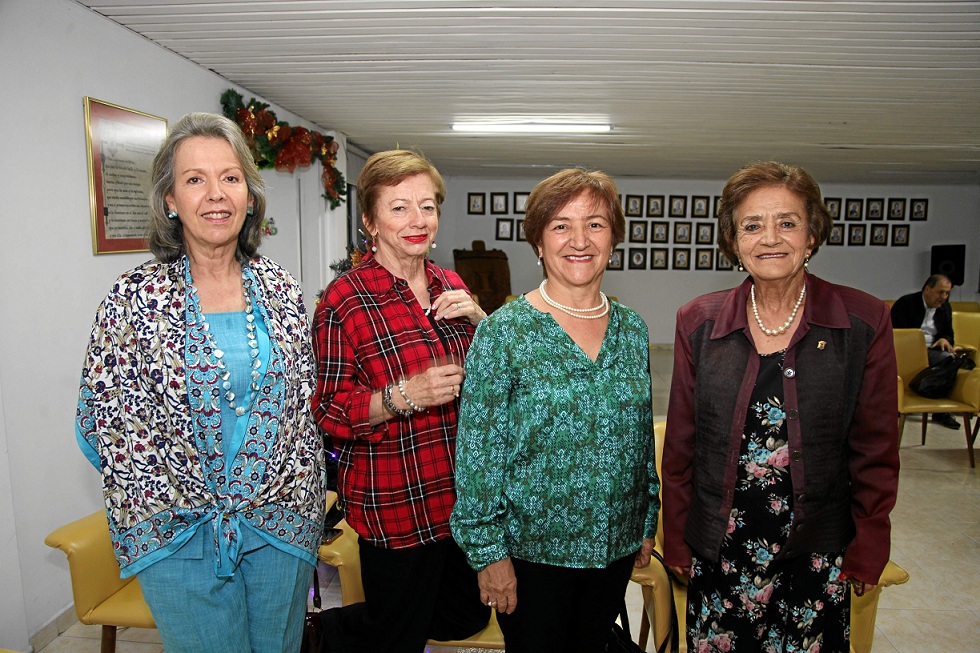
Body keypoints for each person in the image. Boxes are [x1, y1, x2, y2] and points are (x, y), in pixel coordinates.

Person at [75, 112, 325, 653]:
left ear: (250, 196)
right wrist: (181, 490)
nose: (216, 195)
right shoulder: (133, 300)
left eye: (230, 178)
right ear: (170, 200)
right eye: (195, 180)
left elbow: (303, 407)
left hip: (280, 527)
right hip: (178, 534)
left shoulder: (282, 290)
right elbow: (103, 426)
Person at [663, 161, 900, 653]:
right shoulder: (698, 322)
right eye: (752, 225)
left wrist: (870, 542)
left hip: (818, 551)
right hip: (722, 548)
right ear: (733, 241)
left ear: (812, 234)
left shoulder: (863, 320)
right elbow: (682, 447)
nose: (770, 238)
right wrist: (679, 538)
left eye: (787, 222)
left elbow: (876, 446)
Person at [452, 168, 660, 653]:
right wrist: (489, 556)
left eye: (596, 224)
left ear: (614, 238)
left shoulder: (632, 330)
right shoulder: (504, 333)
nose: (579, 240)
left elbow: (639, 437)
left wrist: (645, 519)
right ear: (539, 243)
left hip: (614, 547)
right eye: (561, 225)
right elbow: (478, 457)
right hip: (530, 558)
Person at [311, 149, 490, 652]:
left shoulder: (449, 283)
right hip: (398, 500)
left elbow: (491, 379)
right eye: (399, 208)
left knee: (463, 616)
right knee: (400, 637)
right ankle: (332, 634)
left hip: (458, 495)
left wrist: (480, 320)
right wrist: (401, 396)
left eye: (428, 206)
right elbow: (329, 408)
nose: (418, 221)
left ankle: (355, 624)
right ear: (370, 220)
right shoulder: (343, 301)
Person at [890, 274, 960, 429]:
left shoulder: (945, 307)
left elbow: (949, 334)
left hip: (932, 350)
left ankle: (939, 410)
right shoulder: (906, 303)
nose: (944, 297)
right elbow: (894, 334)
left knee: (949, 360)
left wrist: (945, 339)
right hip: (906, 352)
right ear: (927, 289)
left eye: (947, 293)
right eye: (940, 292)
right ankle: (897, 404)